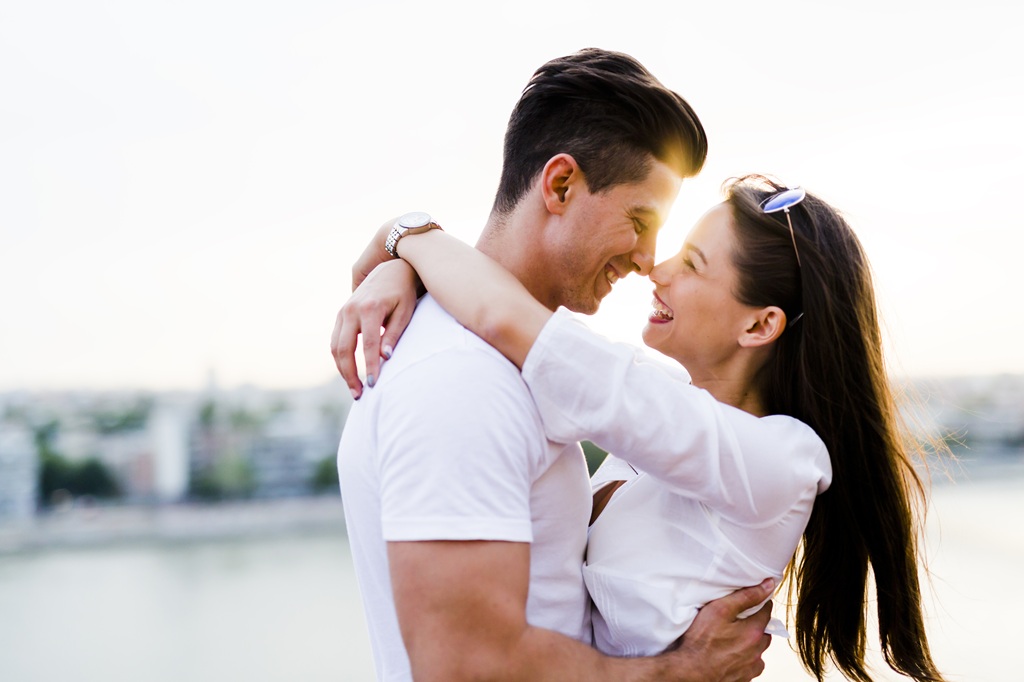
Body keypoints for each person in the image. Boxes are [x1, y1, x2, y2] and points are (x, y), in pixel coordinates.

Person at [335, 175, 947, 682]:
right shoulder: (658, 422)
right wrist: (405, 268)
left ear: (760, 327)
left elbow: (508, 319)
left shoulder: (781, 463)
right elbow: (504, 328)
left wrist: (410, 236)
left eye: (693, 263)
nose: (657, 269)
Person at [333, 49, 775, 682]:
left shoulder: (495, 355)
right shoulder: (463, 381)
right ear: (561, 184)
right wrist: (683, 671)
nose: (650, 260)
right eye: (639, 220)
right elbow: (467, 665)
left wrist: (403, 242)